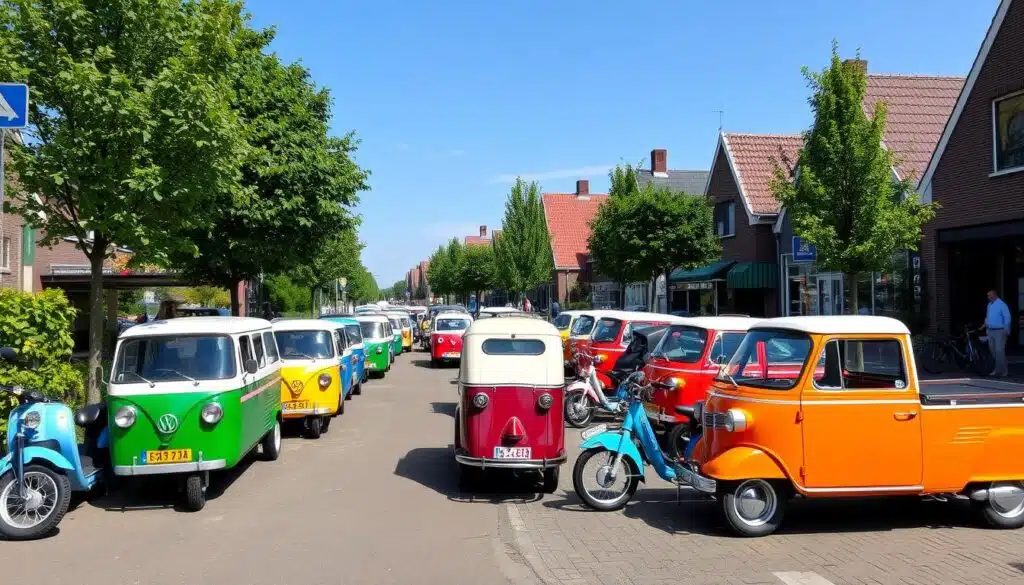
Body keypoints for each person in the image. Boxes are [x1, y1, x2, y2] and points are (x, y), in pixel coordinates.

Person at [982, 289, 1011, 377]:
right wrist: (986, 327)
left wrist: (1006, 328)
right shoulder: (989, 305)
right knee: (993, 351)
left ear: (994, 295)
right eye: (987, 296)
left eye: (989, 295)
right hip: (991, 331)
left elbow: (1007, 316)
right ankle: (999, 369)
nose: (988, 297)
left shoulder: (1002, 305)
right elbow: (988, 317)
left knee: (999, 350)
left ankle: (1003, 370)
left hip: (1000, 330)